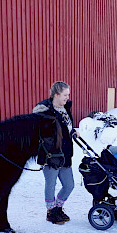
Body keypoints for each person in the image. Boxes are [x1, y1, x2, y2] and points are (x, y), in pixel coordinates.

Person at [33, 81, 79, 225]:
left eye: (68, 94)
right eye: (65, 94)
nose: (67, 97)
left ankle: (58, 208)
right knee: (51, 184)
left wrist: (72, 132)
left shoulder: (65, 108)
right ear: (56, 94)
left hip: (65, 153)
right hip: (51, 155)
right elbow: (43, 134)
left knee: (69, 184)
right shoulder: (45, 111)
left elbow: (65, 127)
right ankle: (51, 212)